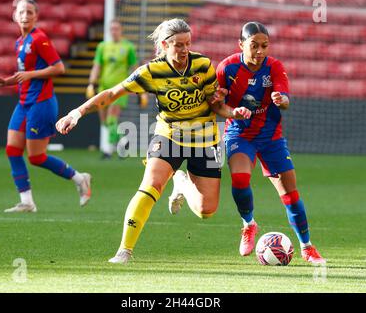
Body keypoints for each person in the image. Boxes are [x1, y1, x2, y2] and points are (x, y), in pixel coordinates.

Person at [56, 18, 251, 263]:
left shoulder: (202, 64)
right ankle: (124, 250)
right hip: (169, 135)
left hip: (205, 138)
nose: (184, 50)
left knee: (206, 210)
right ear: (164, 44)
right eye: (178, 45)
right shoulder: (151, 71)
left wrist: (233, 112)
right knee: (151, 186)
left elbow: (217, 105)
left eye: (187, 44)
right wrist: (77, 112)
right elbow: (112, 93)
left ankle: (180, 182)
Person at [215, 21, 326, 264]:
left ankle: (307, 247)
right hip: (239, 134)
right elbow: (217, 106)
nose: (260, 51)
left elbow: (285, 100)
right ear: (241, 44)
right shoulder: (227, 68)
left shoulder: (274, 67)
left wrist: (280, 99)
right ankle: (248, 224)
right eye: (254, 45)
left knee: (290, 194)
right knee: (240, 179)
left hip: (271, 137)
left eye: (264, 46)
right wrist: (233, 112)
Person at [0, 0, 91, 213]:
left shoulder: (39, 39)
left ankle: (79, 178)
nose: (25, 15)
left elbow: (58, 67)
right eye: (21, 12)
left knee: (36, 157)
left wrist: (30, 74)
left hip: (41, 103)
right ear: (14, 15)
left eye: (29, 12)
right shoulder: (19, 42)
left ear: (36, 16)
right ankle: (27, 201)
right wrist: (6, 81)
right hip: (24, 102)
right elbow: (24, 74)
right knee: (12, 150)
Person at [86, 19, 148, 159]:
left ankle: (108, 150)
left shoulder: (128, 47)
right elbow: (97, 66)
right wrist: (91, 83)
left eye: (116, 29)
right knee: (104, 121)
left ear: (121, 30)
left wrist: (140, 89)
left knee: (111, 119)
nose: (114, 31)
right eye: (112, 29)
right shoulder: (102, 46)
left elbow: (134, 69)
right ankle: (123, 140)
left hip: (120, 89)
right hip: (103, 87)